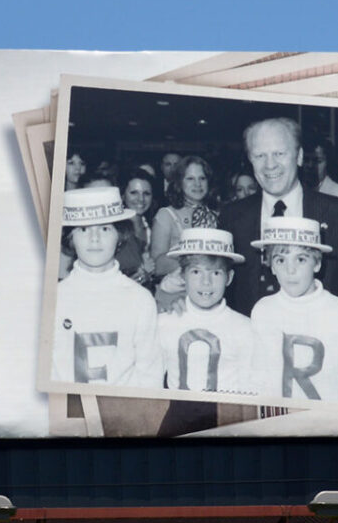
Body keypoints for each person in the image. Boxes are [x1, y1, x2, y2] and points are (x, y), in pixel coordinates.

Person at [217, 116, 338, 314]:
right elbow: (214, 284)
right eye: (260, 156)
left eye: (279, 153)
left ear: (299, 156)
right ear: (250, 160)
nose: (270, 165)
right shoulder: (232, 217)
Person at [50, 186, 163, 388]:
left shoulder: (140, 299)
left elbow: (150, 374)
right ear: (70, 238)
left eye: (104, 228)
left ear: (120, 236)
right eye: (83, 229)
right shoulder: (54, 298)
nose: (95, 238)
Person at [247, 217, 338, 402]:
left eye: (300, 259)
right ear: (271, 266)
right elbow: (258, 380)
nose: (290, 270)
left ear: (317, 263)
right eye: (280, 260)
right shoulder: (263, 311)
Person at [154, 228, 255, 394]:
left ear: (229, 278)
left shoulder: (244, 328)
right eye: (196, 272)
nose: (206, 282)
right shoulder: (164, 323)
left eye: (216, 273)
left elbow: (248, 389)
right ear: (182, 276)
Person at [148, 155, 221, 307]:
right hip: (175, 298)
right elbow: (157, 265)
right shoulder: (166, 215)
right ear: (179, 182)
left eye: (202, 178)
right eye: (190, 179)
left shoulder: (218, 214)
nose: (197, 184)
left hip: (211, 295)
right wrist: (197, 264)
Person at [115, 171, 156, 284]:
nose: (141, 199)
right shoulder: (116, 230)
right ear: (123, 195)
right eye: (134, 193)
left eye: (146, 193)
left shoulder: (152, 226)